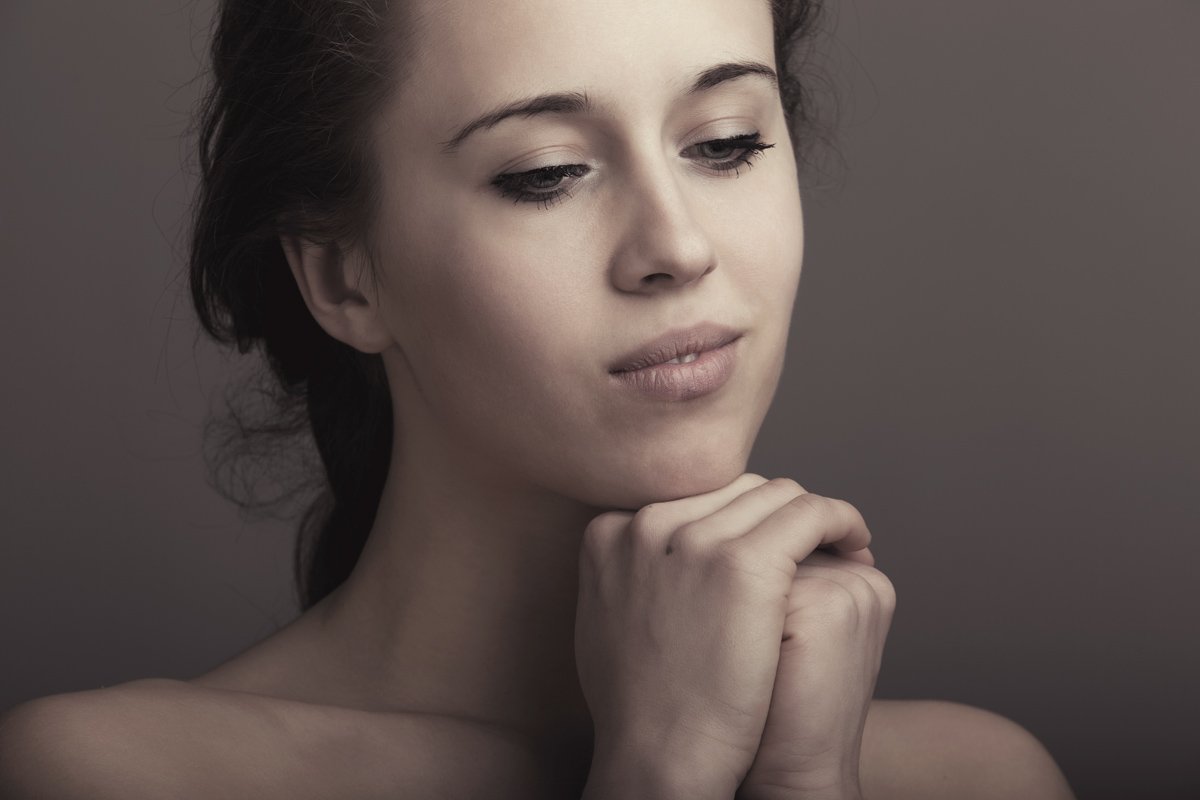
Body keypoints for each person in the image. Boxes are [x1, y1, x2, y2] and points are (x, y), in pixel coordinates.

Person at [0, 0, 1078, 798]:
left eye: (725, 143)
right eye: (546, 173)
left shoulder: (978, 778)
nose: (677, 246)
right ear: (343, 278)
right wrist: (663, 771)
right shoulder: (116, 775)